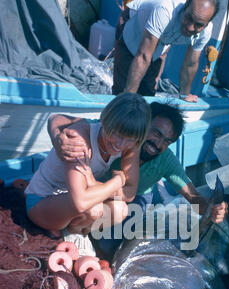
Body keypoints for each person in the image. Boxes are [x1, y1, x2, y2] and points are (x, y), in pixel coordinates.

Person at [47, 101, 227, 255]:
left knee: (107, 245)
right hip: (96, 190)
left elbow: (193, 196)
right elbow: (56, 118)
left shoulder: (166, 160)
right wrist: (58, 138)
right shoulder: (118, 135)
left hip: (133, 199)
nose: (158, 144)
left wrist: (211, 208)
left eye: (166, 141)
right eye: (156, 133)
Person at [25, 93, 151, 255]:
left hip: (73, 201)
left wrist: (91, 182)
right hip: (41, 202)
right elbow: (80, 202)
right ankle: (66, 233)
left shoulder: (130, 143)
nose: (120, 144)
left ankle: (74, 232)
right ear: (105, 121)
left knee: (120, 210)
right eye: (116, 134)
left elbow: (130, 194)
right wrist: (118, 181)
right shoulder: (80, 139)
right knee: (93, 208)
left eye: (129, 139)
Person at [113, 0, 219, 99]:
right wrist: (128, 96)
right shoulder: (165, 10)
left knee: (148, 90)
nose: (191, 27)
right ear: (185, 8)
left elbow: (190, 64)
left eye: (199, 24)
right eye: (189, 17)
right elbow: (143, 56)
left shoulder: (205, 32)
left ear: (207, 23)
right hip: (133, 27)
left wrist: (184, 95)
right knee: (123, 89)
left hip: (159, 41)